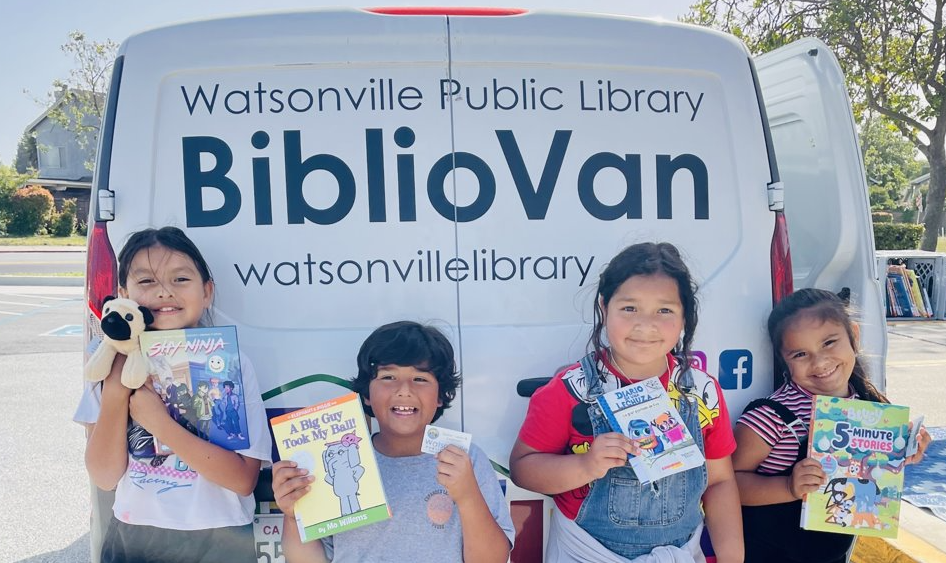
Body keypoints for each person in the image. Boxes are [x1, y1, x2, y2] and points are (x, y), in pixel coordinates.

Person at [509, 242, 743, 563]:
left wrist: (733, 557)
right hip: (588, 554)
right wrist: (585, 465)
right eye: (629, 308)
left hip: (680, 553)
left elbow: (719, 481)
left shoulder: (701, 392)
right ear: (605, 308)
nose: (645, 325)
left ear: (685, 316)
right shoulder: (570, 391)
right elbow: (523, 469)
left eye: (664, 310)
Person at [74, 226, 272, 563]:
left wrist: (159, 424)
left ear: (207, 291)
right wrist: (116, 394)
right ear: (123, 293)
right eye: (147, 281)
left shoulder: (229, 363)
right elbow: (104, 477)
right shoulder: (106, 360)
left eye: (181, 279)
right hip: (134, 535)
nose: (165, 292)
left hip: (221, 537)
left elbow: (242, 479)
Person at [272, 321, 515, 563]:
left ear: (441, 396)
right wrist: (295, 517)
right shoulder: (338, 458)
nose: (404, 390)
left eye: (420, 379)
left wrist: (468, 495)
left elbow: (492, 559)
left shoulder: (466, 459)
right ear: (366, 394)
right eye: (388, 376)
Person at [734, 288, 931, 563]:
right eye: (800, 354)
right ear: (784, 361)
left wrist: (905, 450)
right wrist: (788, 487)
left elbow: (874, 473)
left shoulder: (871, 410)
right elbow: (728, 485)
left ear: (854, 335)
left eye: (829, 343)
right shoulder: (771, 416)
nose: (820, 361)